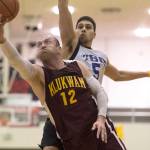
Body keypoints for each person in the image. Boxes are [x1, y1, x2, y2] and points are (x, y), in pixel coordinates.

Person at [40, 0, 150, 150]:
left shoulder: (102, 56)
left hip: (86, 113)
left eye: (88, 27)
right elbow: (64, 16)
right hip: (61, 112)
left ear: (94, 33)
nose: (83, 29)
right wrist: (62, 4)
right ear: (74, 31)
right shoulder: (70, 46)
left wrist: (146, 73)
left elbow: (118, 75)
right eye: (79, 27)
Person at [0, 17, 109, 150]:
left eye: (47, 42)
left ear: (59, 49)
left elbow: (100, 91)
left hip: (91, 123)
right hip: (62, 126)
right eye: (39, 44)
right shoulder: (38, 74)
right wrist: (2, 40)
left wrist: (101, 117)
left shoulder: (78, 66)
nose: (42, 45)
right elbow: (16, 61)